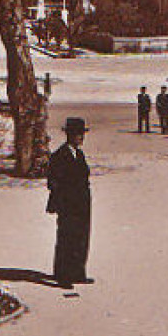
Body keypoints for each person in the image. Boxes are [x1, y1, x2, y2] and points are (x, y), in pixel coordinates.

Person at [46, 117, 94, 288]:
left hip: (82, 204)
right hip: (68, 205)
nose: (81, 137)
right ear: (69, 135)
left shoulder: (79, 154)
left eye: (82, 134)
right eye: (77, 134)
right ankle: (63, 276)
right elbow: (53, 182)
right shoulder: (59, 155)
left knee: (81, 238)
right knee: (66, 239)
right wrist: (64, 201)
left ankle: (78, 272)